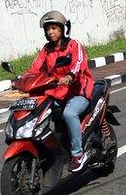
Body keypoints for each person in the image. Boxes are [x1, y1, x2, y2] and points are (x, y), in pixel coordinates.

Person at [18, 10, 96, 172]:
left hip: (77, 91)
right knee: (38, 111)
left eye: (54, 28)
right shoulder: (46, 50)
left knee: (69, 113)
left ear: (62, 29)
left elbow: (79, 64)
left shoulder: (74, 45)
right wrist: (20, 80)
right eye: (48, 29)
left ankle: (77, 154)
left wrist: (69, 75)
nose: (50, 32)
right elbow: (34, 68)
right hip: (57, 92)